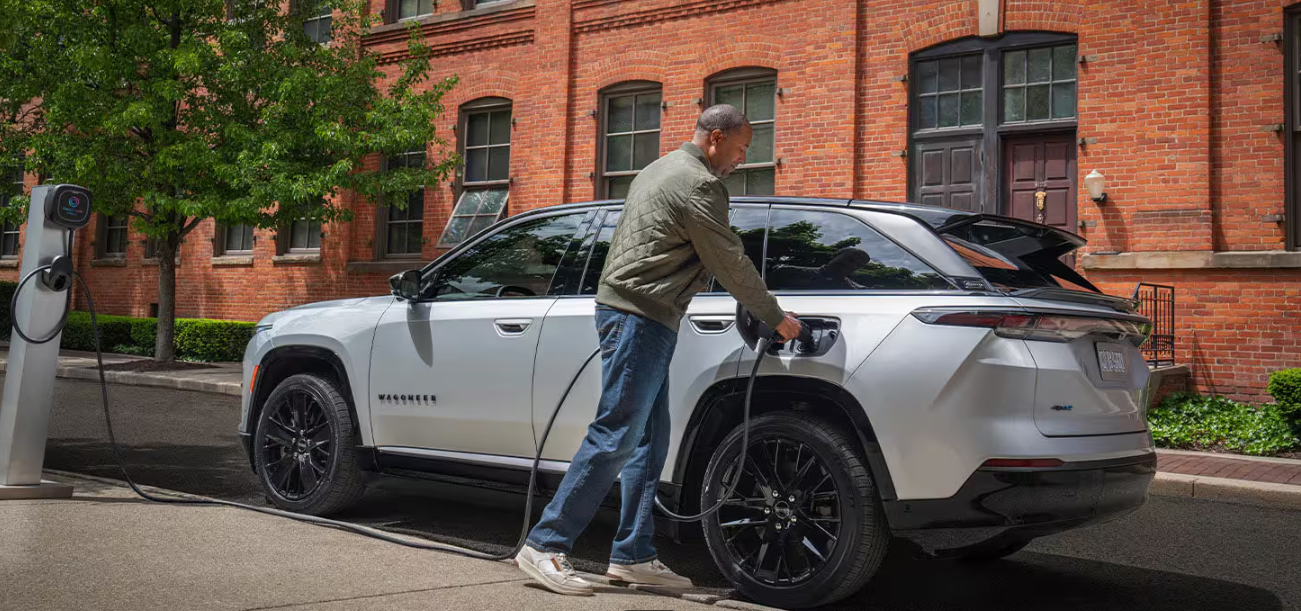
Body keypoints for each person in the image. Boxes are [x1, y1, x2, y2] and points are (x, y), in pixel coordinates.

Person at [514, 104, 802, 596]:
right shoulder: (700, 184)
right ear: (715, 138)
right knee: (616, 435)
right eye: (740, 149)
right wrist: (776, 316)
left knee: (648, 441)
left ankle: (633, 555)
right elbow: (728, 260)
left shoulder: (657, 168)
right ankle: (545, 545)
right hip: (639, 317)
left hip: (637, 313)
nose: (742, 160)